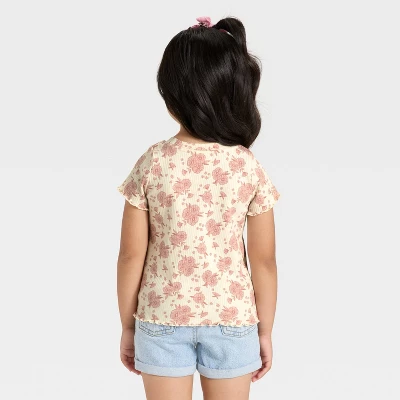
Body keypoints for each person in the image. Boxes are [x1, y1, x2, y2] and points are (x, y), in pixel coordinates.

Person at [116, 15, 281, 400]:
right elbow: (265, 260)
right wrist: (265, 330)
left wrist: (127, 326)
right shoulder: (246, 165)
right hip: (233, 320)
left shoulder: (153, 162)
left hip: (160, 318)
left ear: (172, 94)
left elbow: (130, 255)